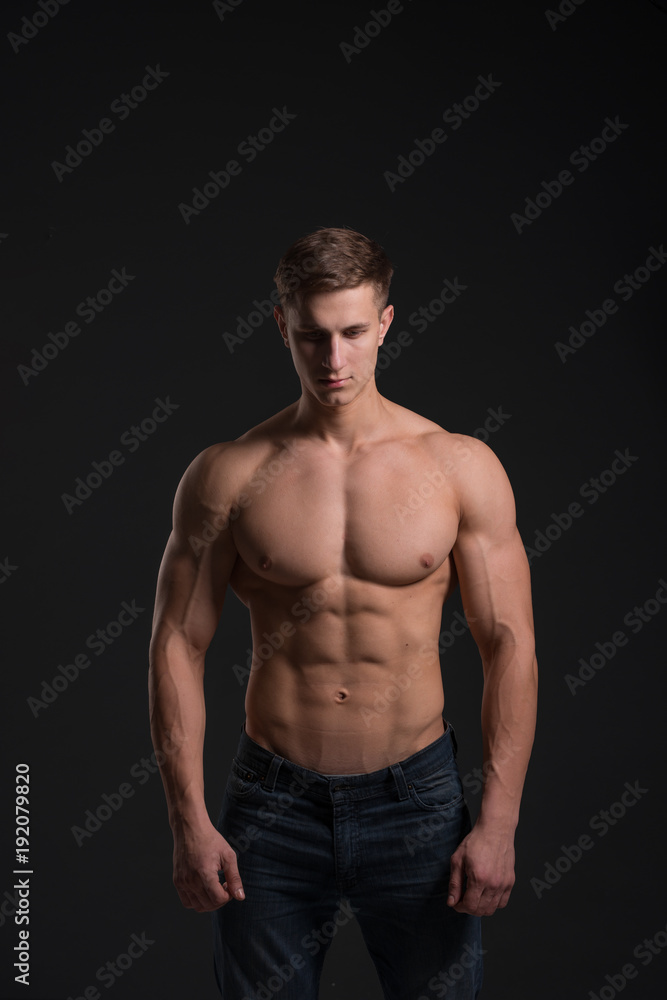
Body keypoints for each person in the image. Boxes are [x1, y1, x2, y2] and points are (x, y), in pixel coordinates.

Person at [148, 226, 538, 999]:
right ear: (280, 326)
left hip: (418, 805)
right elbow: (174, 644)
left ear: (386, 322)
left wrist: (497, 822)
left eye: (354, 333)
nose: (333, 361)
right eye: (311, 336)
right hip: (271, 807)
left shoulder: (457, 467)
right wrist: (188, 821)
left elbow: (508, 643)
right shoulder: (228, 474)